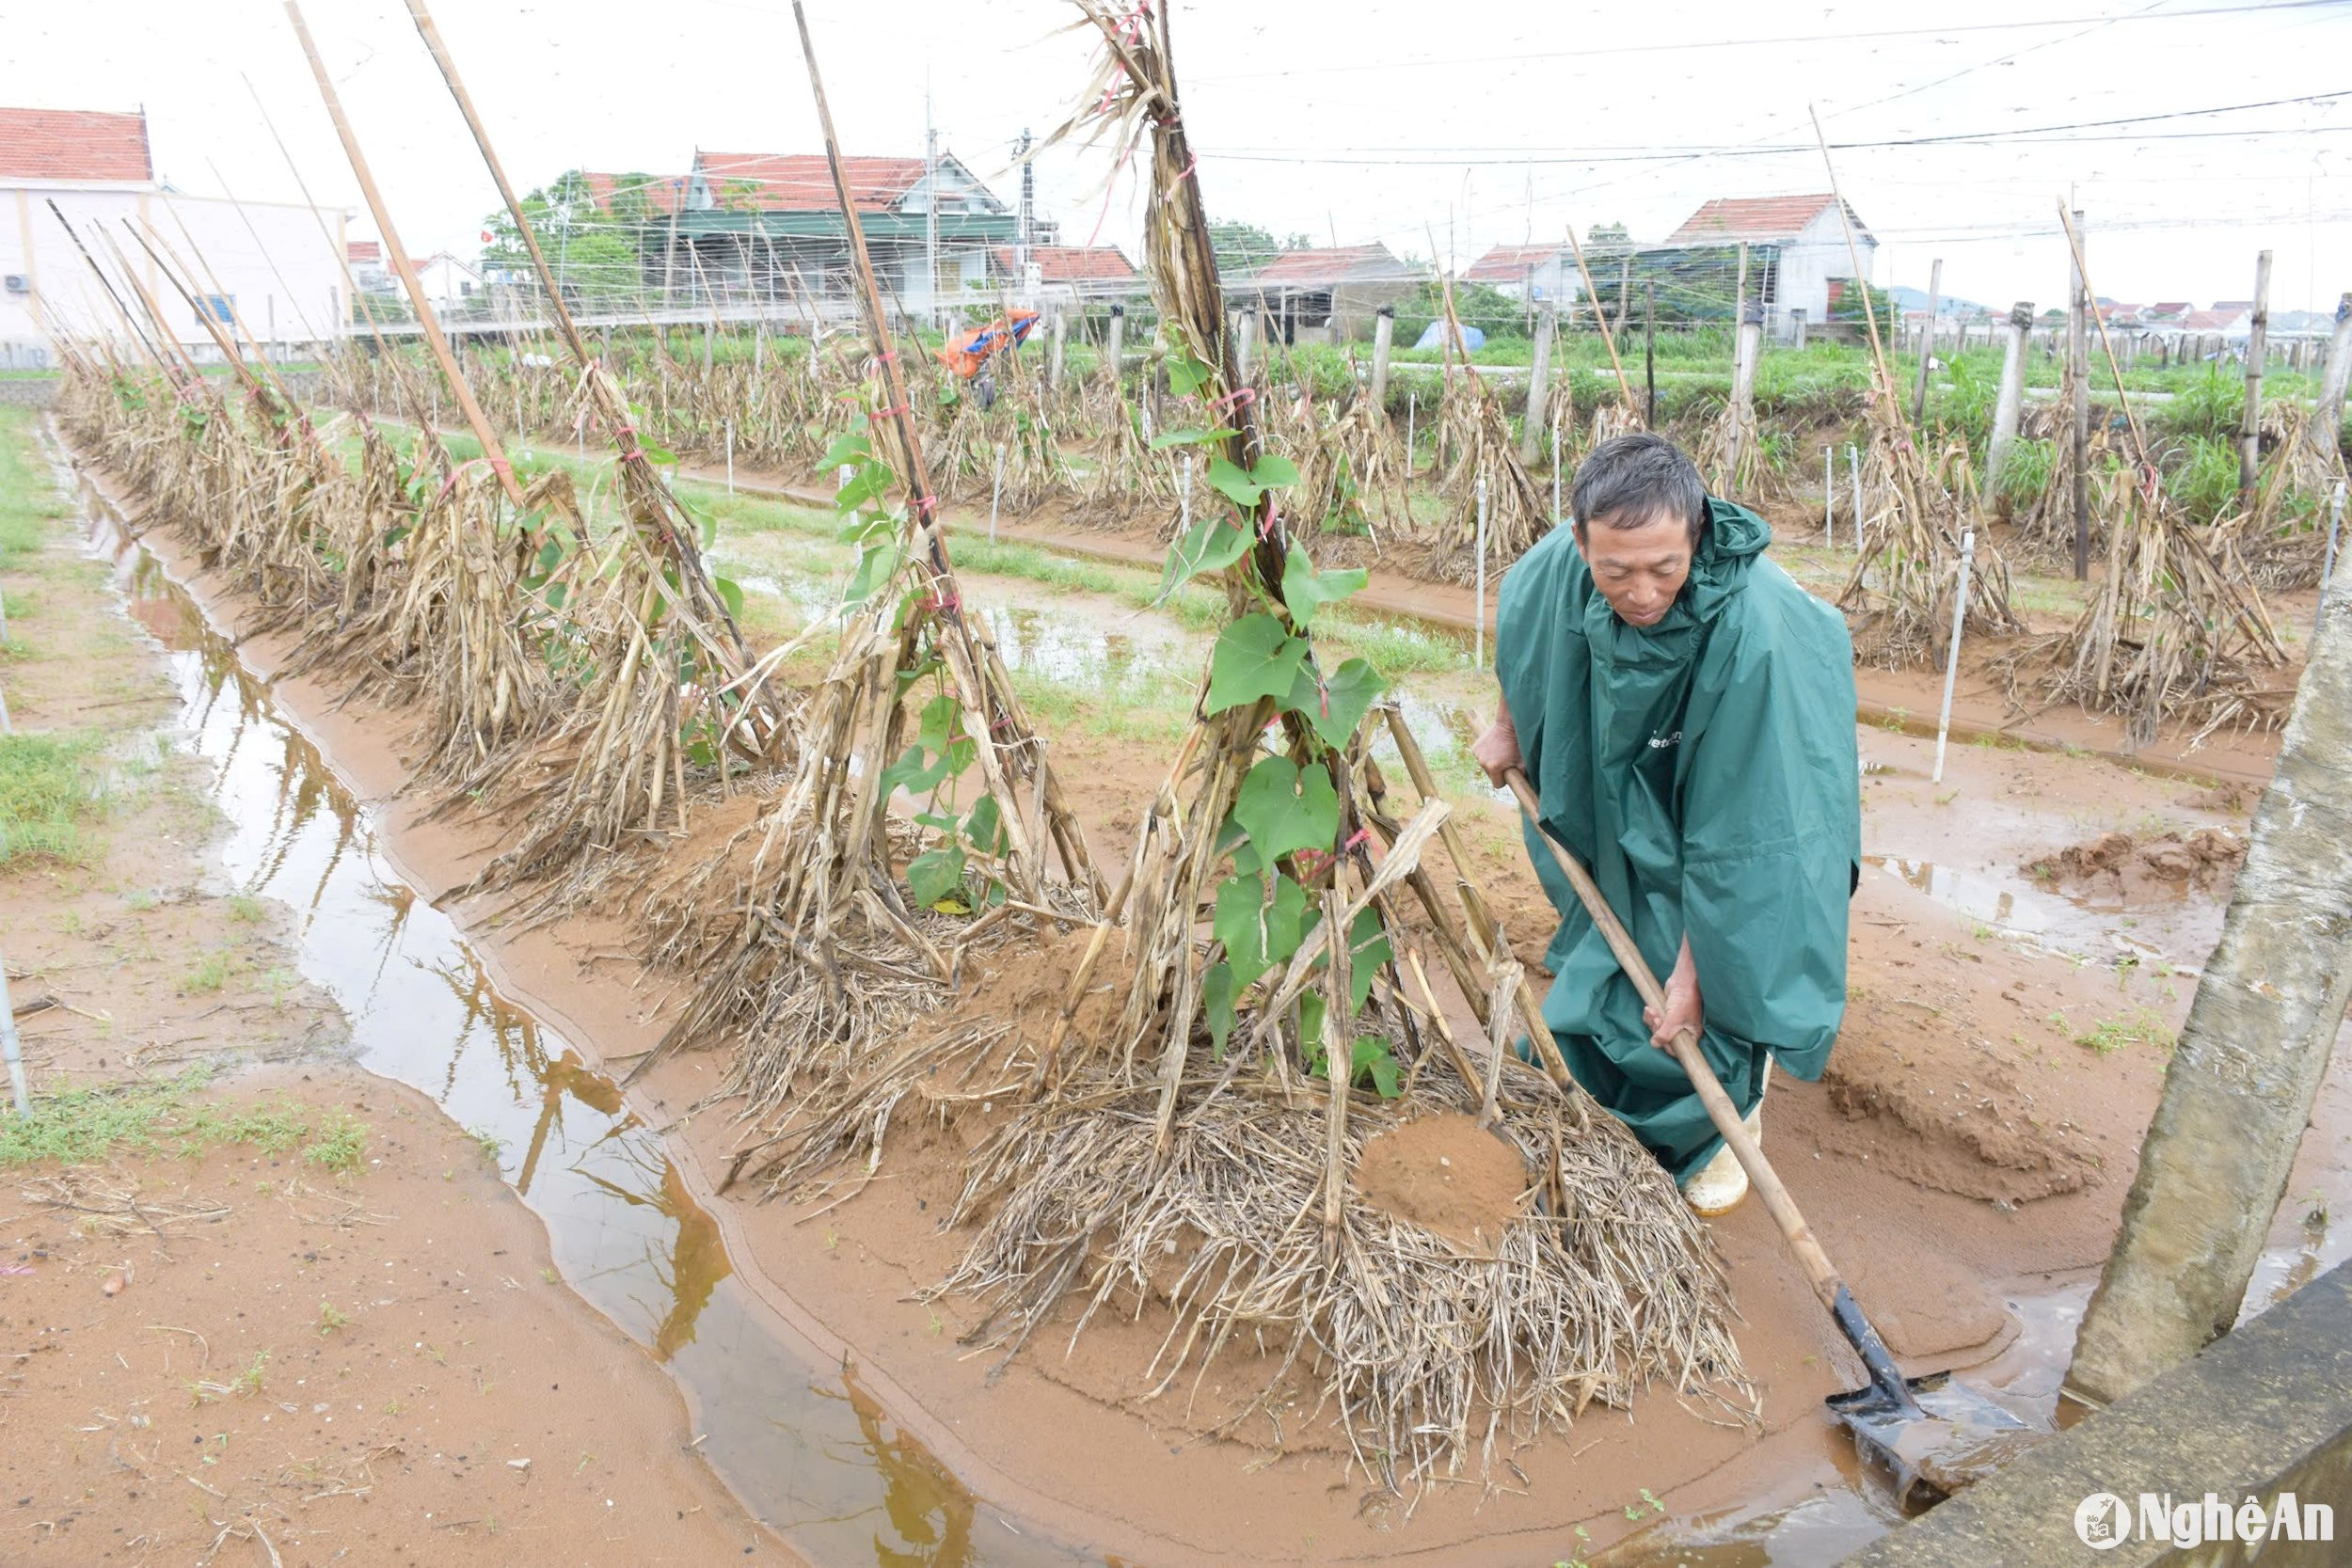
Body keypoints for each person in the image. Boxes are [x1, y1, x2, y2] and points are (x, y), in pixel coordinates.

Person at [1471, 433, 1860, 1215]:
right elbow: (1525, 633)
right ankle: (1609, 1077)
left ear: (1697, 532)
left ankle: (1730, 1110)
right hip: (1639, 752)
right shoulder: (1562, 564)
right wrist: (1509, 722)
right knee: (1619, 903)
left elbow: (1748, 843)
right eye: (1616, 573)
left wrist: (1698, 974)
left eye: (1664, 568)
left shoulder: (1759, 634)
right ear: (1581, 542)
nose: (1642, 591)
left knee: (1728, 949)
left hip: (1760, 771)